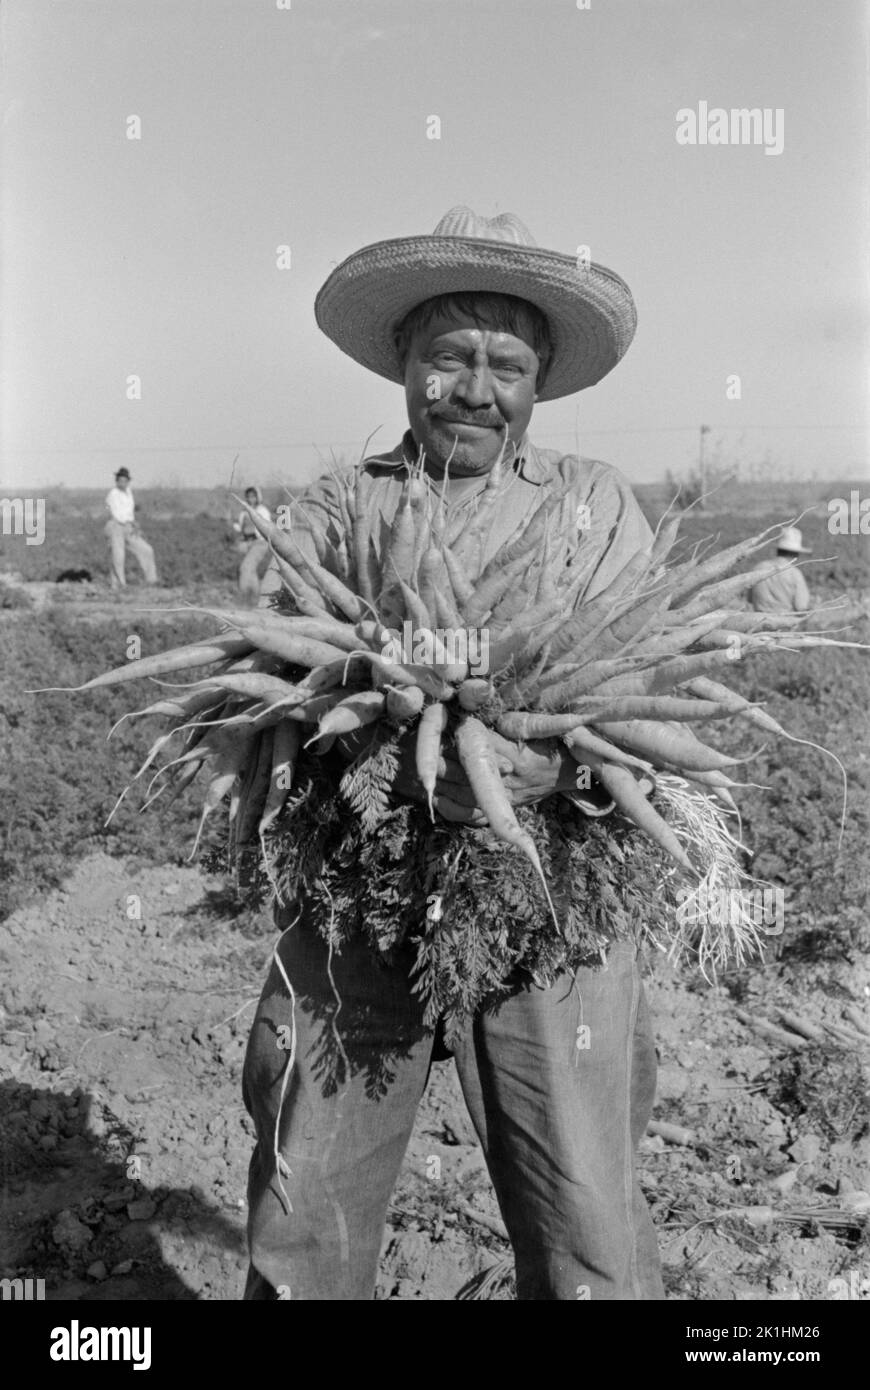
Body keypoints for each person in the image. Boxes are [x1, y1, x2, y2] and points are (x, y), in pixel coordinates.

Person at [244, 206, 664, 1301]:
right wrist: (359, 722)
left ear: (540, 379)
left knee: (587, 1222)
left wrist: (558, 773)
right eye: (449, 358)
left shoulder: (593, 507)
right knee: (305, 1208)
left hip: (550, 894)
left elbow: (636, 694)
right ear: (404, 364)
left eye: (506, 363)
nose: (475, 389)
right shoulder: (341, 507)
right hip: (355, 891)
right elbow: (278, 676)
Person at [103, 468, 158, 589]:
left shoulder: (128, 492)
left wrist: (134, 523)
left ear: (128, 482)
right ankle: (118, 585)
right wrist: (123, 523)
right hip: (116, 526)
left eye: (125, 480)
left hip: (128, 526)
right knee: (118, 556)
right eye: (120, 480)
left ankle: (152, 581)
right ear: (117, 481)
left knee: (147, 550)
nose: (123, 483)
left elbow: (129, 512)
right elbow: (114, 512)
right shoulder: (113, 494)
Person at [749, 525, 811, 615]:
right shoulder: (795, 574)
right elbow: (801, 607)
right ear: (796, 554)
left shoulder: (758, 568)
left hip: (757, 624)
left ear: (778, 550)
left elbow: (750, 599)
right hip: (784, 623)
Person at [232, 486, 272, 604]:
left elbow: (267, 527)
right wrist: (235, 528)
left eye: (253, 496)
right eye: (248, 497)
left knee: (245, 568)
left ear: (257, 497)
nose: (250, 499)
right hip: (247, 542)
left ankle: (243, 596)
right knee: (250, 569)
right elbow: (240, 527)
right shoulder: (244, 512)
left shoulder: (262, 511)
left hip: (260, 543)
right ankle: (256, 597)